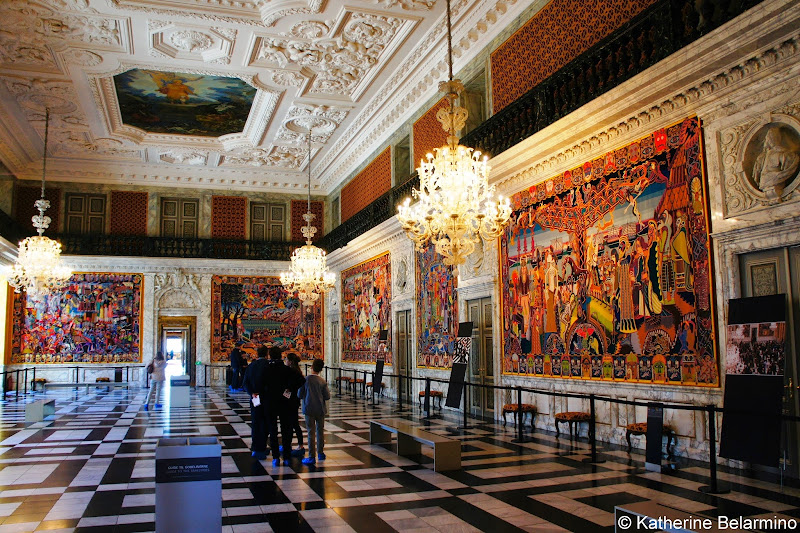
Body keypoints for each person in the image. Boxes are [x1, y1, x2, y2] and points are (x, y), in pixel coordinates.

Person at [264, 346, 304, 466]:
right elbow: (301, 381)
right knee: (286, 430)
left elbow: (260, 384)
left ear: (270, 355)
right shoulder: (287, 369)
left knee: (273, 430)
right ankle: (286, 456)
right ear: (281, 355)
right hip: (285, 403)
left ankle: (276, 457)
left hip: (270, 402)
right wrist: (289, 390)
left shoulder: (266, 369)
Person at [299, 359, 330, 465]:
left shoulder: (306, 380)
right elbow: (327, 396)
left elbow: (299, 394)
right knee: (320, 431)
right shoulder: (322, 381)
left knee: (310, 432)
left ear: (311, 367)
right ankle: (321, 453)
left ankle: (311, 456)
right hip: (320, 409)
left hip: (308, 408)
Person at [242, 345, 270, 460]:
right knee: (265, 422)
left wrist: (252, 393)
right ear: (267, 354)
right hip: (267, 398)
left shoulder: (251, 366)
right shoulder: (268, 366)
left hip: (255, 398)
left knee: (255, 421)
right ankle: (262, 447)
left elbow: (245, 383)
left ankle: (255, 447)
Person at [285, 352, 306, 458]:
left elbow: (297, 383)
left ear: (290, 361)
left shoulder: (292, 372)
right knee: (292, 423)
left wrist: (290, 389)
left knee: (293, 424)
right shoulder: (297, 371)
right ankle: (291, 445)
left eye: (286, 359)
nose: (285, 361)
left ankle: (300, 445)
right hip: (294, 399)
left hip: (291, 400)